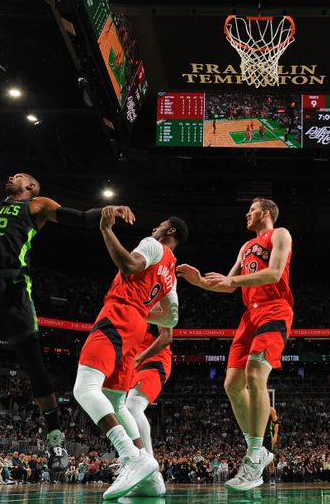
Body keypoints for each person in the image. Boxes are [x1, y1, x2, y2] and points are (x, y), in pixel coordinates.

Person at [0, 131, 135, 490]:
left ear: (30, 185)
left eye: (18, 175)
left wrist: (105, 212)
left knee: (33, 364)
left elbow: (79, 216)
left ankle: (56, 442)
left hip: (13, 286)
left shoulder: (36, 206)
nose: (11, 177)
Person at [177, 197, 293, 492]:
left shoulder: (280, 234)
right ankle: (257, 449)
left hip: (275, 308)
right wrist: (200, 281)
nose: (247, 214)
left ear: (265, 213)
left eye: (251, 210)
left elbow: (274, 273)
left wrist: (235, 280)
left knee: (255, 373)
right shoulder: (245, 247)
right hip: (249, 315)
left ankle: (255, 457)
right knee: (231, 384)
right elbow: (229, 285)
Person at [73, 210, 186, 500]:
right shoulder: (170, 274)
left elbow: (129, 264)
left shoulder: (153, 244)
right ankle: (150, 478)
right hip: (136, 326)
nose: (156, 226)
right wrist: (145, 309)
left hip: (119, 314)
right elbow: (171, 320)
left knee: (83, 388)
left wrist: (106, 230)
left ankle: (131, 456)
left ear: (170, 230)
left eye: (160, 223)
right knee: (115, 402)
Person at [121, 319, 176, 497]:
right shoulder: (127, 302)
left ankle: (150, 471)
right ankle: (135, 469)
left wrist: (138, 358)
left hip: (153, 359)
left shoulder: (161, 298)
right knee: (122, 409)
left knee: (133, 406)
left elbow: (166, 337)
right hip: (134, 363)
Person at [263, 406, 279, 485]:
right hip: (258, 436)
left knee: (270, 459)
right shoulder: (254, 409)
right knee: (255, 459)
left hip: (268, 437)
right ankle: (254, 479)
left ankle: (272, 478)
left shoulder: (271, 409)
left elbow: (276, 423)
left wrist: (275, 435)